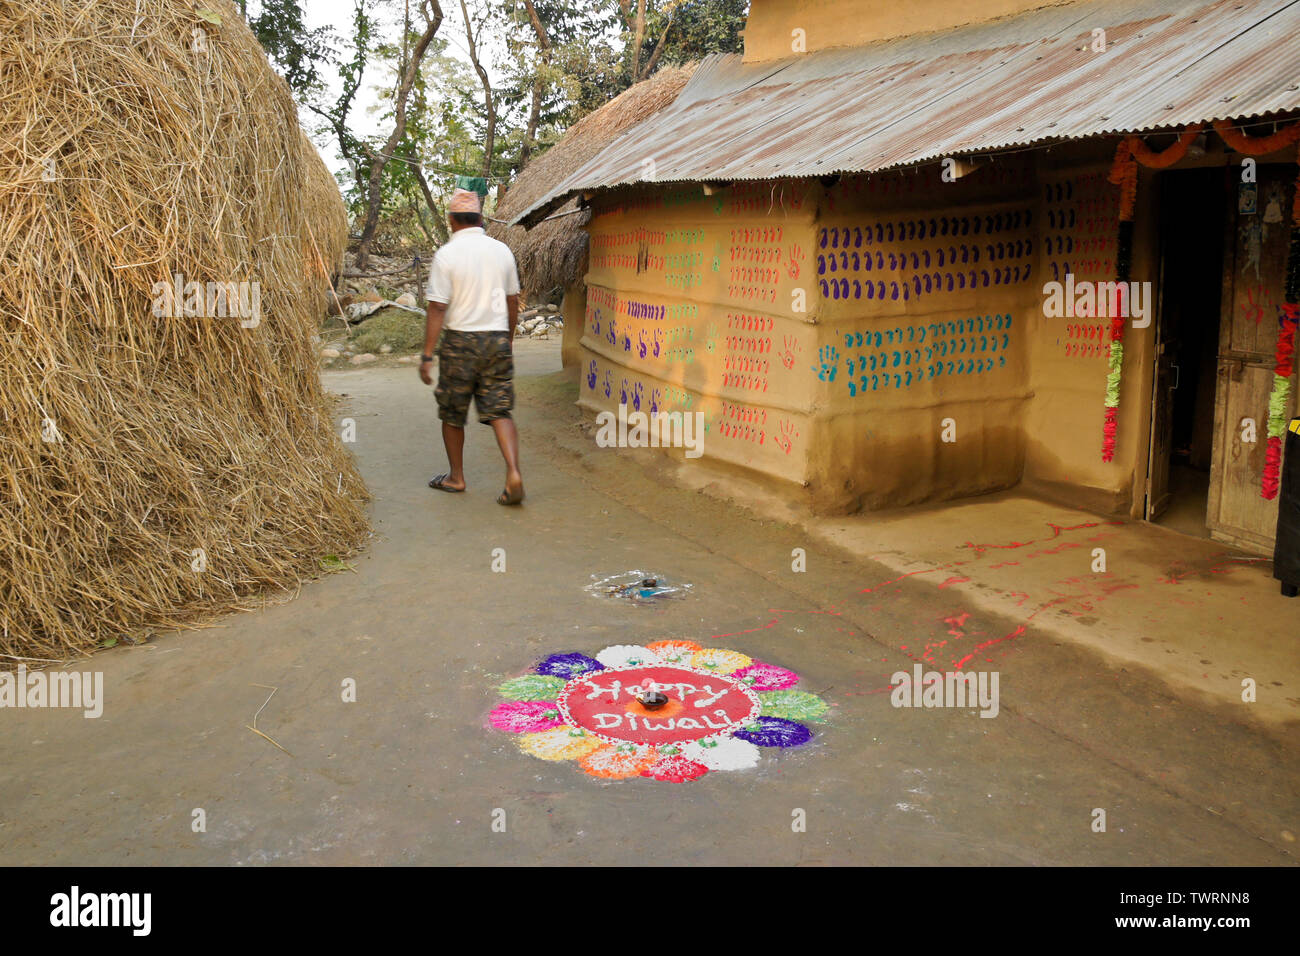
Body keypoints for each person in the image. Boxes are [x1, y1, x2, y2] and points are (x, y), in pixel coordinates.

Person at [419, 188, 525, 505]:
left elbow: (437, 308)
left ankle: (456, 477)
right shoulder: (502, 251)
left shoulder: (446, 255)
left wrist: (427, 354)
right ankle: (514, 472)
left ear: (452, 221)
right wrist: (508, 337)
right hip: (495, 338)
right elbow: (512, 301)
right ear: (481, 219)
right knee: (499, 409)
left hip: (459, 341)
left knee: (452, 412)